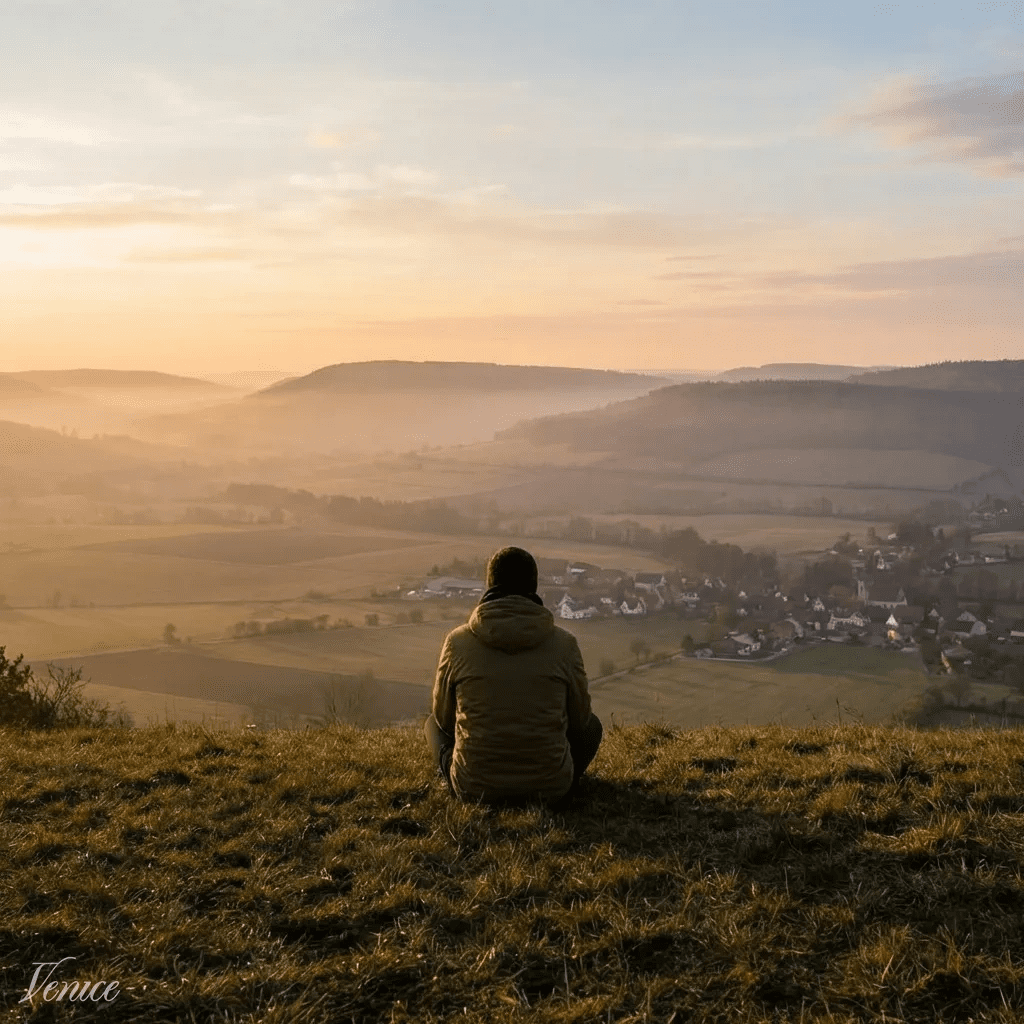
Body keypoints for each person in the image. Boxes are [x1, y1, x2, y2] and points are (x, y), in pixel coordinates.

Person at [424, 546, 603, 804]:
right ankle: (552, 774)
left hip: (474, 788)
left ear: (489, 585)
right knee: (593, 726)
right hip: (551, 789)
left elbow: (443, 718)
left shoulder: (457, 642)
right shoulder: (565, 645)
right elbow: (580, 721)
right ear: (534, 586)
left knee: (431, 725)